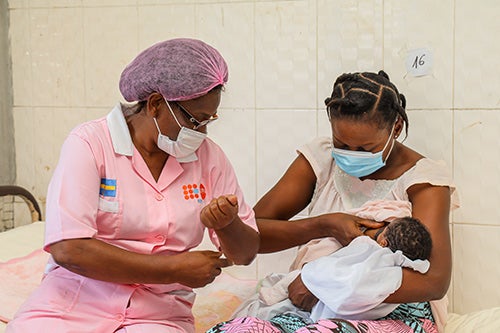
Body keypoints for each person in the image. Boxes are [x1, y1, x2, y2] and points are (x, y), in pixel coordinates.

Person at [7, 38, 260, 333]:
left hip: (157, 315)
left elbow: (245, 254)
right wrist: (173, 269)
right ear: (155, 104)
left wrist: (228, 223)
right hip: (72, 303)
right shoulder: (90, 144)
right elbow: (69, 249)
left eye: (208, 121)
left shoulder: (209, 158)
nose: (201, 132)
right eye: (195, 120)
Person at [207, 70, 458, 333]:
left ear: (396, 128)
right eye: (342, 144)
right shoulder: (322, 159)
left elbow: (435, 280)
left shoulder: (423, 180)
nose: (351, 155)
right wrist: (324, 226)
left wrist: (325, 284)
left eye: (364, 149)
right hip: (308, 301)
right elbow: (254, 232)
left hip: (391, 307)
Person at [231, 202, 432, 323]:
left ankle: (269, 296)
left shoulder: (366, 246)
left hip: (312, 293)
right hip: (337, 311)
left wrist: (311, 278)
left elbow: (333, 265)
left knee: (282, 291)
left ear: (383, 241)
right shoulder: (405, 270)